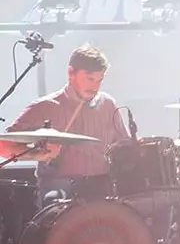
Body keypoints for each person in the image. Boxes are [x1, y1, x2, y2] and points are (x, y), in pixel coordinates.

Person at [0, 45, 129, 203]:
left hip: (101, 186)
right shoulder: (44, 107)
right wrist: (37, 154)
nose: (95, 86)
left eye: (99, 80)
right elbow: (3, 146)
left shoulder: (108, 104)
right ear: (71, 73)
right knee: (55, 202)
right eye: (89, 79)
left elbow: (124, 146)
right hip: (60, 188)